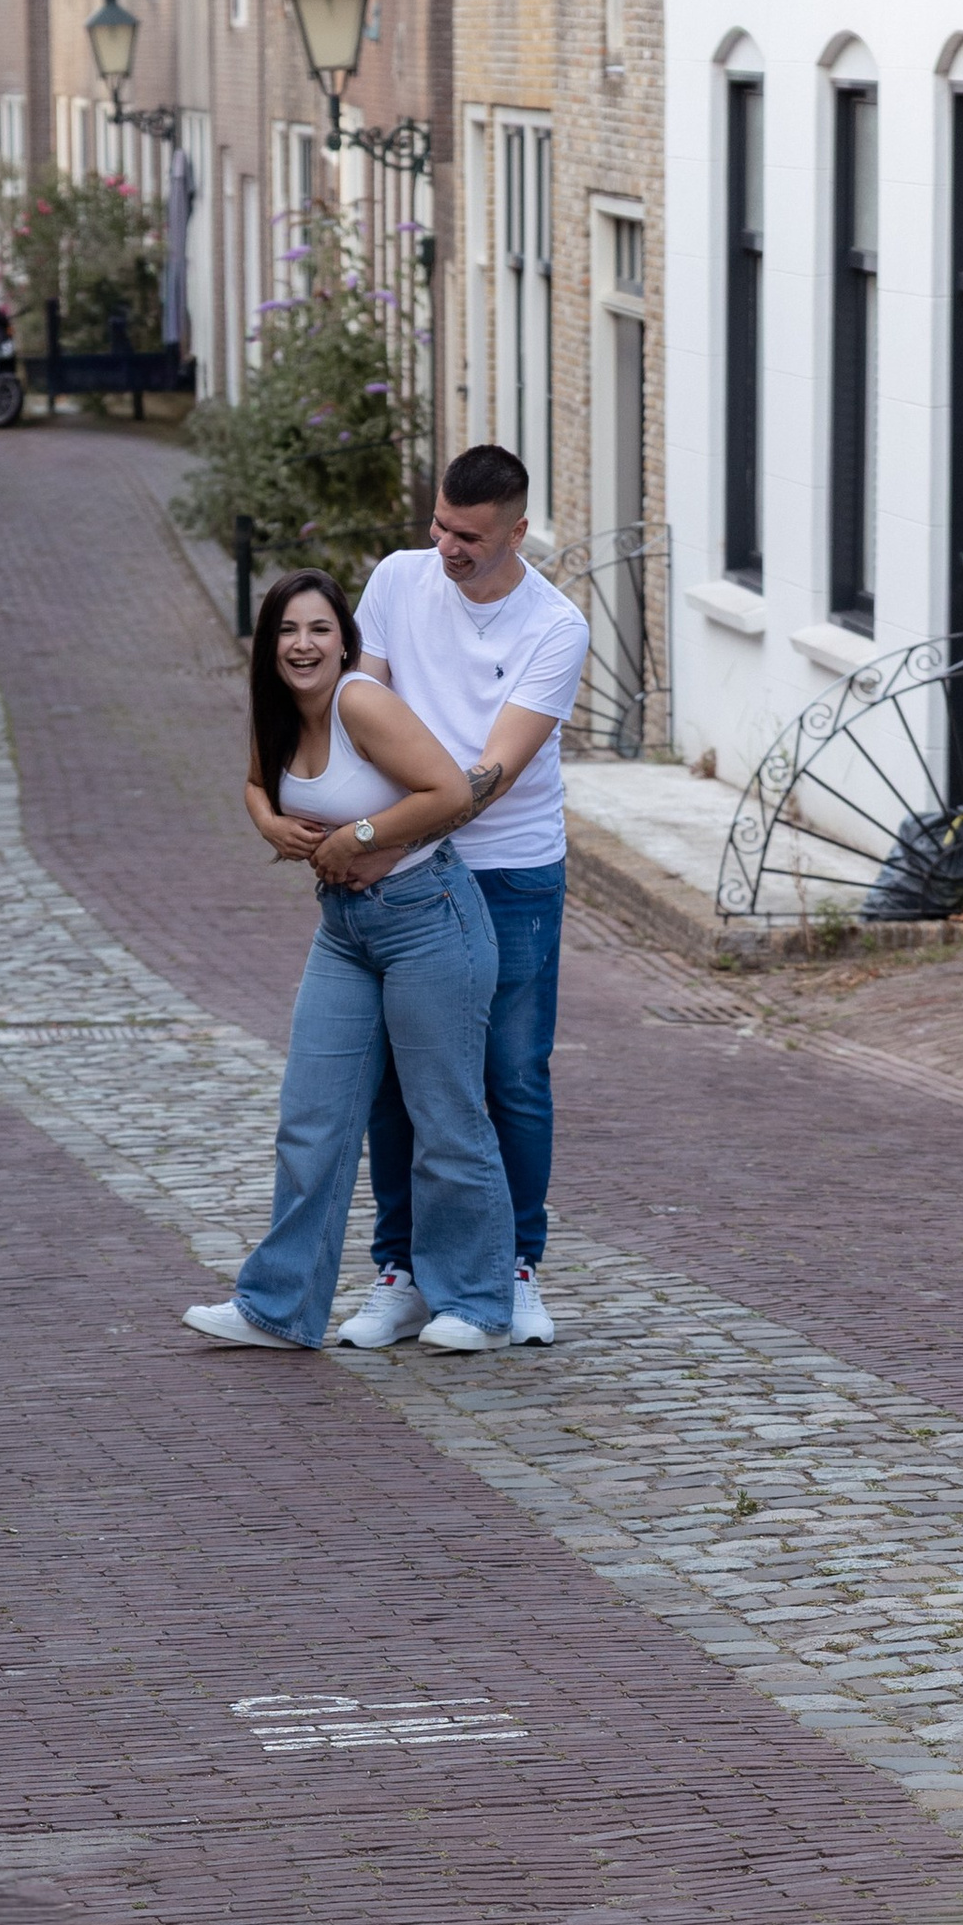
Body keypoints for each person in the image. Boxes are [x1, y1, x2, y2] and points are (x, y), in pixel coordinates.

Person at [184, 571, 517, 1353]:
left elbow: (450, 792)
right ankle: (278, 1308)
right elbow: (256, 784)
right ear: (268, 646)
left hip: (429, 918)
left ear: (345, 642)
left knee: (445, 1118)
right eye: (287, 632)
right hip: (344, 932)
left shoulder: (360, 702)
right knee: (311, 1119)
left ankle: (477, 1305)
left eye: (319, 630)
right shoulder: (277, 711)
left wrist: (357, 838)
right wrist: (270, 823)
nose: (303, 645)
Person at [335, 445, 591, 1350]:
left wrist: (381, 836)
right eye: (439, 525)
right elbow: (360, 712)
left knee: (511, 1074)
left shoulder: (555, 628)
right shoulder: (398, 581)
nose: (445, 547)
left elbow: (496, 770)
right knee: (400, 1079)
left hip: (508, 869)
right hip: (406, 867)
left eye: (469, 538)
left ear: (518, 532)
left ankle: (513, 1269)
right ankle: (403, 1272)